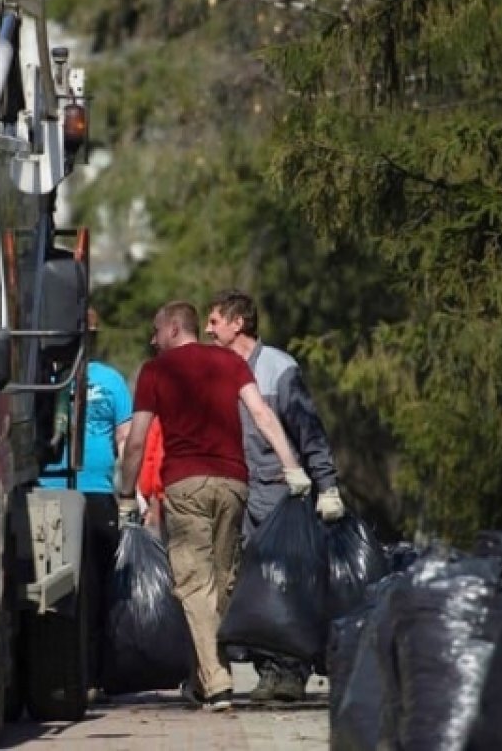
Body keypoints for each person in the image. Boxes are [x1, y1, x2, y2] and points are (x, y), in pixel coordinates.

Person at [118, 301, 310, 712]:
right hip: (234, 483)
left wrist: (124, 492)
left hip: (185, 484)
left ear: (172, 329)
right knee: (223, 581)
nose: (153, 341)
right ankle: (203, 677)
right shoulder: (228, 362)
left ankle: (218, 683)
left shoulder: (157, 371)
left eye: (156, 332)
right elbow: (261, 413)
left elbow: (136, 441)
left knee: (193, 583)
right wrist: (291, 465)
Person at [205, 288, 344, 702]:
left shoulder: (277, 369)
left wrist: (327, 485)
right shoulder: (219, 369)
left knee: (285, 583)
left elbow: (307, 429)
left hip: (280, 493)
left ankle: (291, 672)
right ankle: (269, 672)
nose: (208, 329)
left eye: (215, 321)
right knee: (252, 586)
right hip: (238, 491)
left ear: (238, 324)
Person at [39, 307, 132, 701]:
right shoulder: (42, 381)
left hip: (96, 492)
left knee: (97, 587)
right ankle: (53, 673)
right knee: (54, 590)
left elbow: (126, 439)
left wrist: (129, 492)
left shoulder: (111, 381)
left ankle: (93, 675)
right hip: (48, 490)